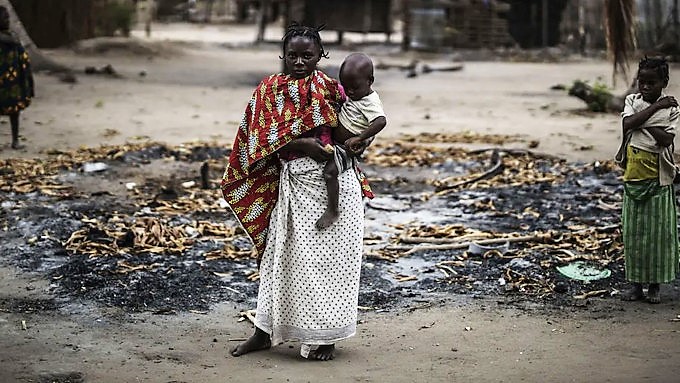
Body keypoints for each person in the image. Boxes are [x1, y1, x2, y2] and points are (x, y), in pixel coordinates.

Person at [221, 23, 373, 361]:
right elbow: (257, 139)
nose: (300, 61)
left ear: (321, 55)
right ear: (283, 56)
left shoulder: (334, 90)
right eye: (293, 55)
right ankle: (263, 332)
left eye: (308, 55)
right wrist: (304, 142)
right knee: (281, 260)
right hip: (294, 186)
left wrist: (352, 143)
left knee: (333, 265)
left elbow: (357, 129)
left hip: (336, 184)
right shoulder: (269, 90)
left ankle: (327, 337)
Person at [615, 56, 679, 304]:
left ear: (664, 82)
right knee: (634, 236)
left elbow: (665, 140)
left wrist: (639, 122)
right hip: (633, 181)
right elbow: (627, 124)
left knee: (657, 237)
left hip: (659, 182)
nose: (645, 87)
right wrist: (653, 110)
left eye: (651, 82)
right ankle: (635, 286)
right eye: (642, 82)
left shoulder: (672, 109)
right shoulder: (633, 101)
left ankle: (654, 286)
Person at [315, 53, 387, 229]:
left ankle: (333, 209)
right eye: (346, 87)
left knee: (330, 173)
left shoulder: (370, 102)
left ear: (370, 81)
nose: (350, 92)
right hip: (337, 141)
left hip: (345, 149)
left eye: (354, 87)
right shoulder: (354, 95)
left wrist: (361, 138)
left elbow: (380, 121)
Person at [0, 6, 33, 150]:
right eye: (4, 18)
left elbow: (22, 57)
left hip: (13, 82)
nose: (7, 20)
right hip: (4, 82)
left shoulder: (12, 37)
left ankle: (15, 140)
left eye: (8, 18)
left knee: (15, 113)